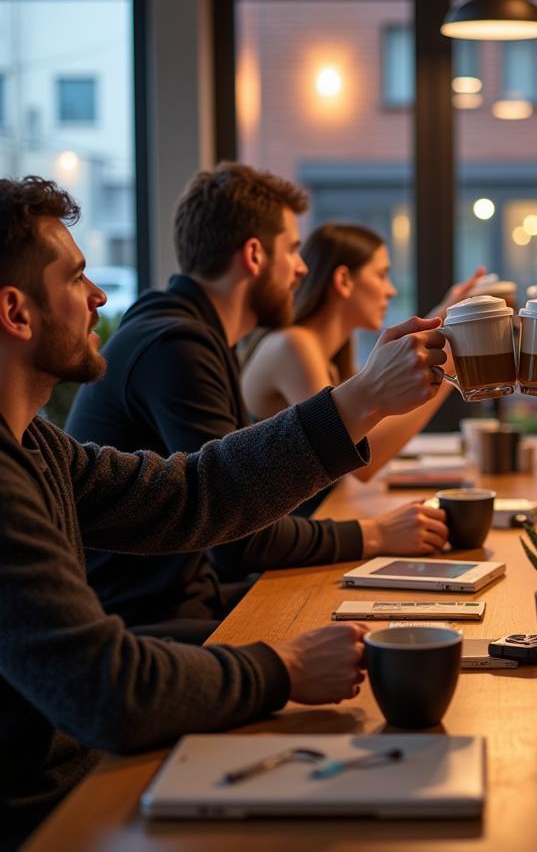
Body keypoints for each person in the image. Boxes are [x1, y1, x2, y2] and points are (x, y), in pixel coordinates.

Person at [0, 175, 447, 850]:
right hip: (46, 812)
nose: (99, 298)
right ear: (16, 312)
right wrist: (282, 669)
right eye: (78, 277)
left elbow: (194, 493)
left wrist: (360, 401)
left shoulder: (38, 446)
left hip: (83, 765)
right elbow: (110, 691)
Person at [67, 164, 449, 644]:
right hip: (144, 624)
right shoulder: (175, 345)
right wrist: (372, 535)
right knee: (377, 641)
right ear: (253, 254)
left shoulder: (193, 335)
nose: (303, 267)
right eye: (292, 249)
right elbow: (236, 534)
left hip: (188, 598)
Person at [240, 221, 483, 482]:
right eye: (381, 275)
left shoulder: (330, 353)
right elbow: (362, 462)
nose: (391, 290)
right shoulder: (293, 346)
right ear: (343, 280)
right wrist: (448, 363)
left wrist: (442, 316)